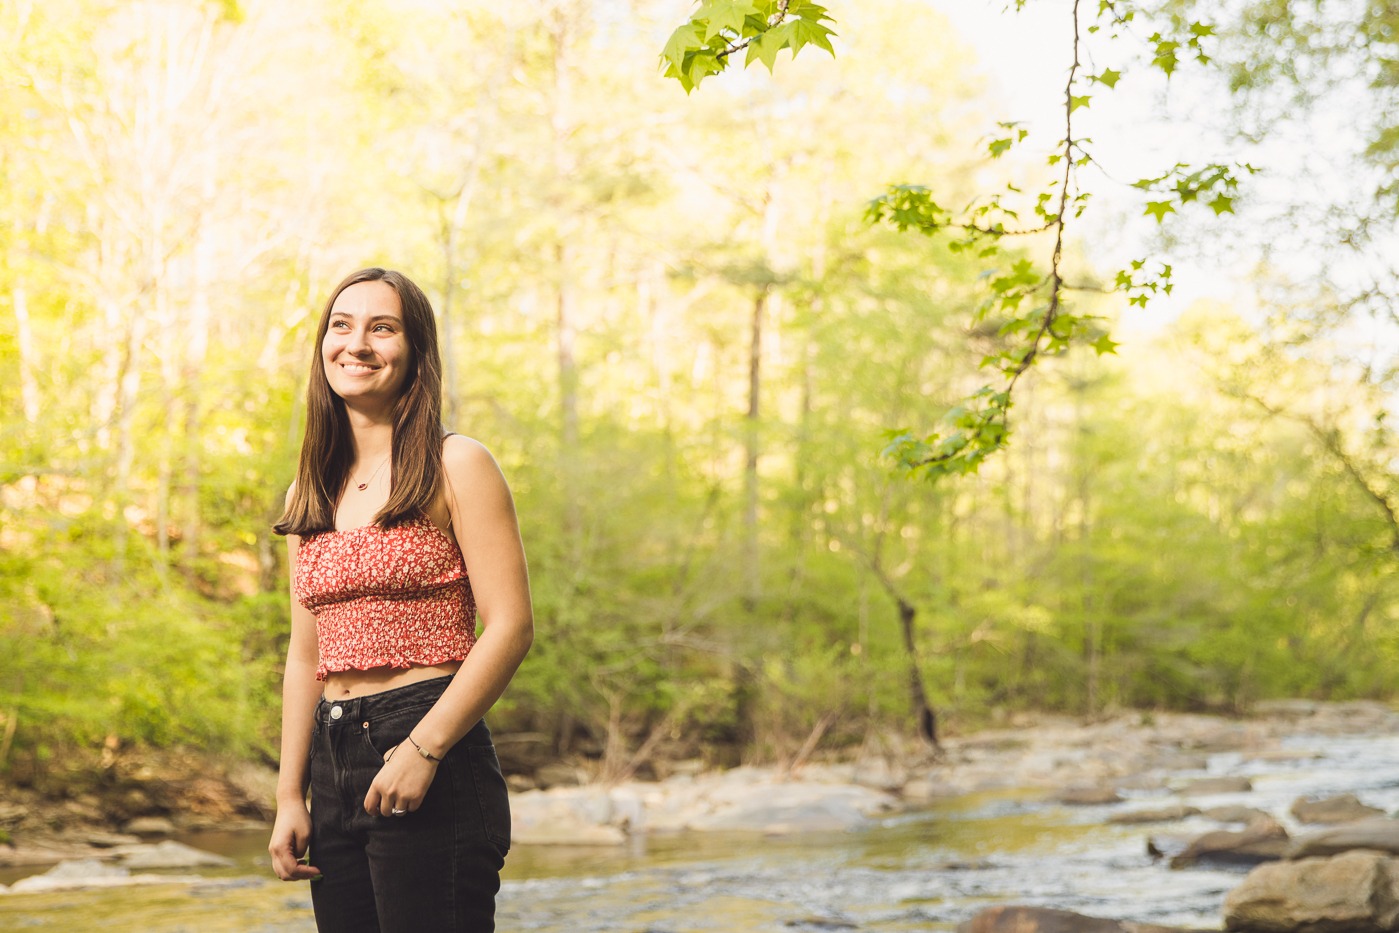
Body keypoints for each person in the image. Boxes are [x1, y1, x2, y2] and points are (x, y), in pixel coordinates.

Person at [267, 267, 533, 932]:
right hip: (331, 761)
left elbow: (510, 626)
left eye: (382, 328)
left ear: (414, 352)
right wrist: (288, 794)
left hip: (428, 735)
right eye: (341, 325)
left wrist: (425, 747)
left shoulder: (457, 463)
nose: (356, 343)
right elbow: (306, 659)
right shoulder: (310, 491)